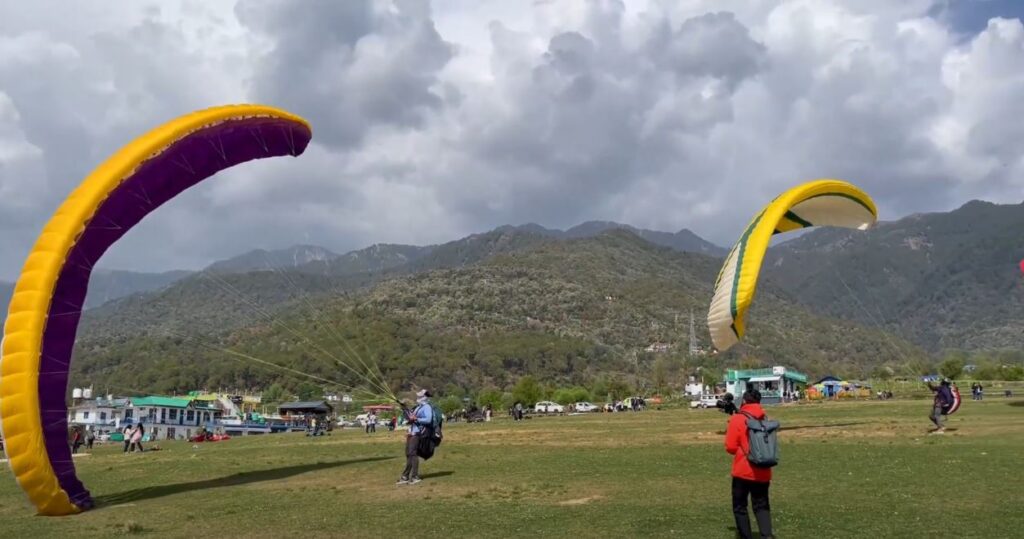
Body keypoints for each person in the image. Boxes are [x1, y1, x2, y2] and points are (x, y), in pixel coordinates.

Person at [725, 389, 774, 539]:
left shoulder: (738, 419)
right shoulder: (766, 418)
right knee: (762, 506)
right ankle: (766, 535)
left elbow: (731, 447)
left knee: (740, 506)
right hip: (763, 469)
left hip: (743, 469)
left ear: (744, 401)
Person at [398, 389, 434, 485]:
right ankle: (405, 476)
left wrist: (416, 419)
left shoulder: (427, 407)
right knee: (408, 454)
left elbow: (428, 419)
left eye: (420, 396)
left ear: (425, 397)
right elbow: (411, 417)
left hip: (418, 433)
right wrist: (404, 408)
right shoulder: (419, 407)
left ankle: (415, 476)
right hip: (411, 432)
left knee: (413, 454)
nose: (418, 398)